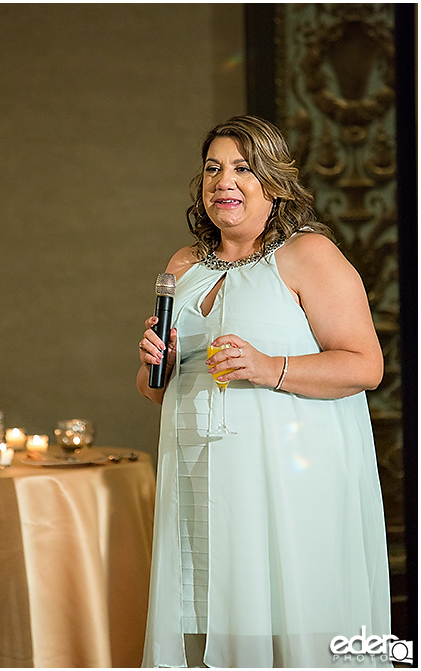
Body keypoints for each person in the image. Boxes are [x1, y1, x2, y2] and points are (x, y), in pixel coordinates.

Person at [136, 116, 391, 667]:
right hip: (198, 478)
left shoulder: (307, 256)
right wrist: (156, 365)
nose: (223, 182)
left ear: (274, 183)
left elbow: (366, 365)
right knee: (205, 619)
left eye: (243, 168)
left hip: (283, 481)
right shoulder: (183, 266)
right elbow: (161, 393)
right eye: (212, 169)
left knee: (281, 625)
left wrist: (270, 366)